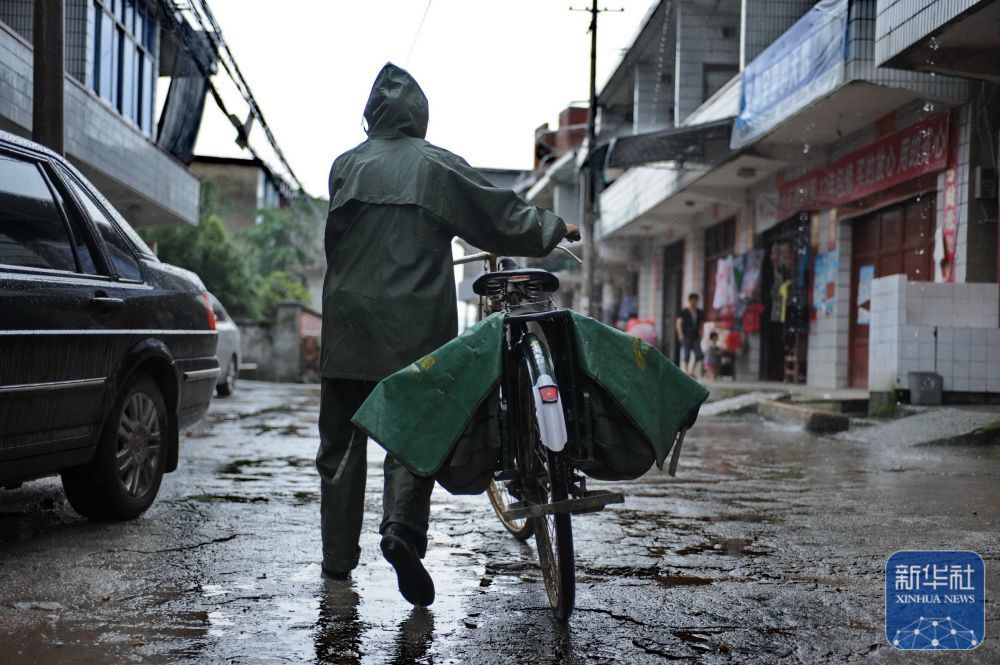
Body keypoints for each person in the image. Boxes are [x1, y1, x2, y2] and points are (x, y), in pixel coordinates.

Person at [317, 63, 579, 608]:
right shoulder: (436, 166)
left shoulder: (344, 166)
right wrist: (554, 228)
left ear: (372, 116)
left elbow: (333, 244)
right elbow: (499, 215)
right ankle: (401, 533)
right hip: (414, 330)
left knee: (341, 447)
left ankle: (337, 561)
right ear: (419, 115)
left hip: (347, 326)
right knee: (412, 435)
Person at [675, 293, 704, 377]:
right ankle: (686, 372)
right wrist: (680, 334)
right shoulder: (683, 312)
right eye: (693, 301)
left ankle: (691, 371)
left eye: (695, 301)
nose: (694, 303)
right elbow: (678, 323)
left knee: (699, 354)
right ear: (690, 301)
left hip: (696, 336)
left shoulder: (699, 312)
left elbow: (701, 324)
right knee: (686, 354)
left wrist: (701, 332)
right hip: (686, 335)